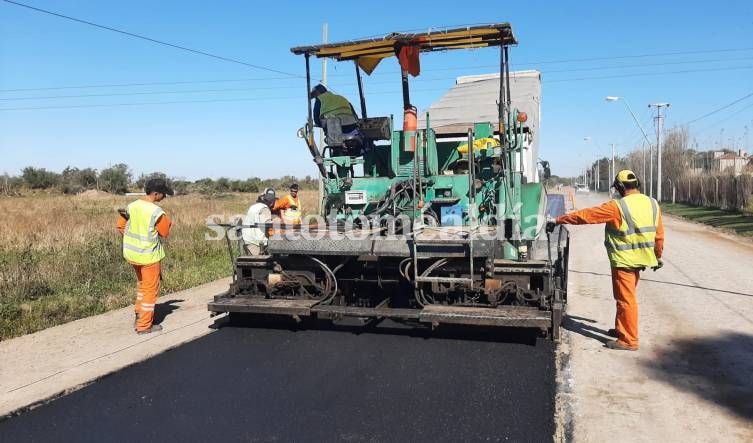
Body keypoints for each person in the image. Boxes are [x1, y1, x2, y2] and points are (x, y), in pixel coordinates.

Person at [547, 170, 664, 351]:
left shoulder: (618, 207)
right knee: (624, 297)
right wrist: (657, 255)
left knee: (626, 300)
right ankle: (621, 329)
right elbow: (659, 235)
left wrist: (559, 220)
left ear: (620, 187)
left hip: (624, 261)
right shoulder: (652, 203)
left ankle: (629, 340)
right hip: (641, 260)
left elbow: (585, 216)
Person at [117, 178, 173, 335]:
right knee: (150, 290)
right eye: (163, 194)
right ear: (155, 194)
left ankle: (139, 313)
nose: (164, 197)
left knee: (142, 285)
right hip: (148, 257)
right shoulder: (156, 212)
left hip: (132, 255)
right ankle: (144, 325)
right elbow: (164, 232)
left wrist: (132, 240)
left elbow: (121, 226)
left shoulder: (131, 206)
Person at [242, 188, 276, 255]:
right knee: (259, 262)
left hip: (248, 238)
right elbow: (268, 223)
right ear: (272, 202)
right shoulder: (264, 209)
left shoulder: (254, 206)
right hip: (256, 241)